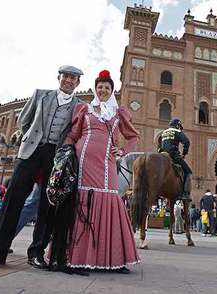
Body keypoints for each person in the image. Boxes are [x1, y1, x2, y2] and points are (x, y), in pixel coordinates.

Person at [0, 65, 83, 269]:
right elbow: (24, 121)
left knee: (47, 205)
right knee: (12, 200)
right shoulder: (40, 94)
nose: (69, 80)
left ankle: (36, 253)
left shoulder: (78, 106)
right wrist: (31, 140)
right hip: (31, 152)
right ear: (59, 77)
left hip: (56, 157)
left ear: (78, 83)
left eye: (74, 78)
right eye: (66, 76)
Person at [64, 69, 140, 273]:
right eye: (100, 87)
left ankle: (113, 259)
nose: (103, 90)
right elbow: (73, 135)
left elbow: (133, 137)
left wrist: (122, 150)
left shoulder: (118, 113)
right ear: (96, 89)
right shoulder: (84, 109)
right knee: (82, 206)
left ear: (112, 91)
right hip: (82, 164)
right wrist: (65, 153)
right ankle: (75, 257)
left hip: (106, 165)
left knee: (111, 202)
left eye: (107, 87)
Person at [157, 118, 192, 200]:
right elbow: (186, 142)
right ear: (177, 125)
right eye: (179, 126)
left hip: (161, 154)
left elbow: (159, 142)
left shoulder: (163, 132)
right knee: (188, 172)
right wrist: (184, 154)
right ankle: (185, 193)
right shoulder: (177, 131)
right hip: (172, 155)